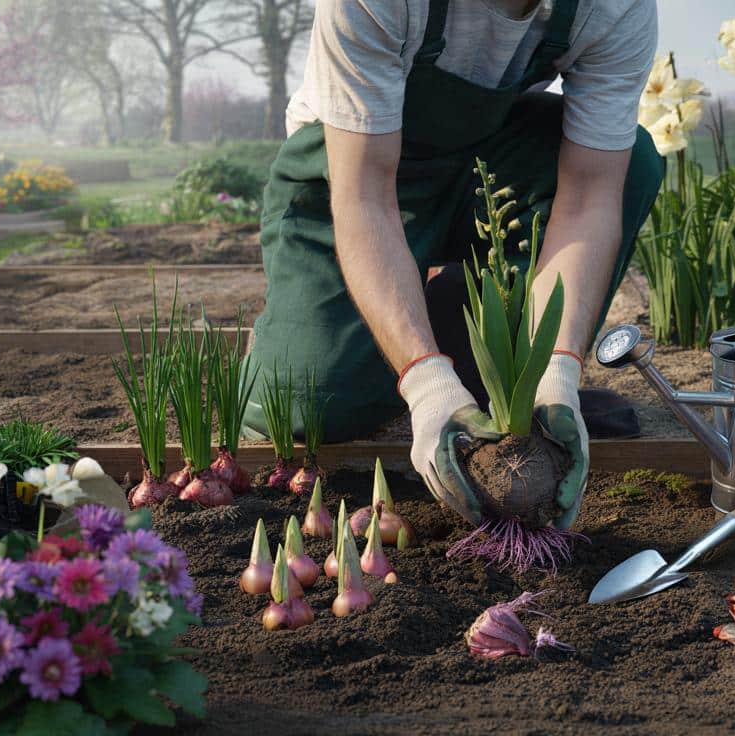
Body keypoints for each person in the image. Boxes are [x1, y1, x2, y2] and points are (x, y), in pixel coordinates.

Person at [243, 0, 662, 530]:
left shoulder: (615, 7)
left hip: (492, 164)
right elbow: (365, 197)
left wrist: (556, 367)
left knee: (633, 160)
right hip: (353, 166)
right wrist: (426, 384)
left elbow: (588, 197)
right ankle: (382, 346)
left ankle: (449, 324)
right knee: (308, 407)